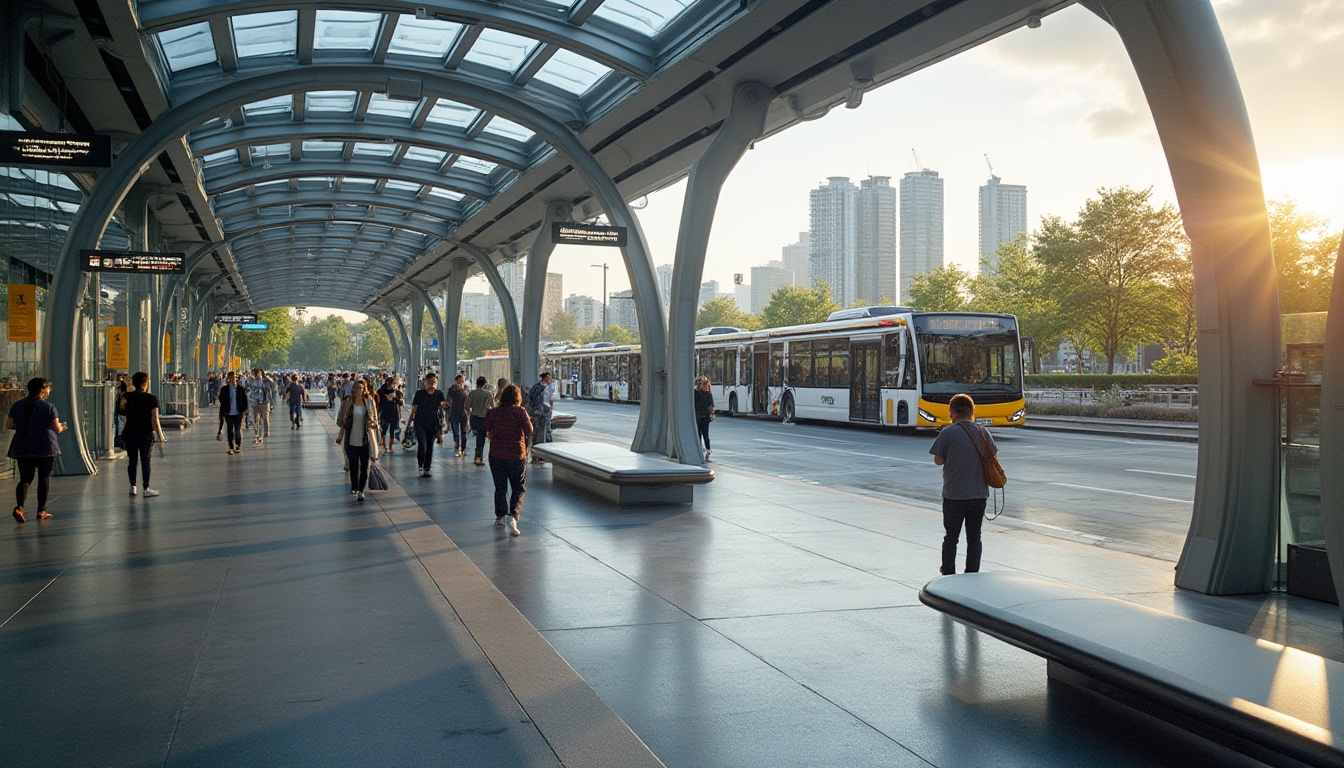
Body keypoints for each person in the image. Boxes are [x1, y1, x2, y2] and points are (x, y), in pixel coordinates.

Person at [929, 393, 998, 575]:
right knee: (974, 537)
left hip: (954, 495)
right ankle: (972, 572)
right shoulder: (984, 432)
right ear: (971, 411)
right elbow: (993, 457)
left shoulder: (948, 433)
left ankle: (948, 572)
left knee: (951, 537)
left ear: (952, 411)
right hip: (979, 494)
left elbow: (938, 460)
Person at [7, 378, 65, 522]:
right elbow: (56, 428)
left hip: (22, 445)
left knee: (25, 478)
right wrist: (63, 427)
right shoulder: (49, 407)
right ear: (42, 390)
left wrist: (24, 427)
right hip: (44, 446)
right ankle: (41, 510)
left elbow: (9, 424)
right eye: (48, 388)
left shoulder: (17, 405)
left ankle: (19, 507)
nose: (49, 391)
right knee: (43, 477)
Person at [484, 384, 533, 536]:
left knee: (500, 487)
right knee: (518, 487)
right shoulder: (520, 412)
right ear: (517, 398)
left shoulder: (493, 412)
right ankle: (513, 516)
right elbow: (529, 430)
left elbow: (487, 430)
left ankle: (499, 517)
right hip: (516, 455)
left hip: (496, 454)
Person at [120, 371, 167, 497]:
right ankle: (146, 488)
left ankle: (133, 487)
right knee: (145, 461)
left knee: (132, 460)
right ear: (145, 383)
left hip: (130, 433)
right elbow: (155, 420)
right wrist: (161, 437)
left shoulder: (126, 396)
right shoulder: (151, 399)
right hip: (145, 434)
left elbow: (122, 413)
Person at [336, 379, 380, 502]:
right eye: (355, 388)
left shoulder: (369, 402)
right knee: (353, 466)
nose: (357, 391)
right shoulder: (347, 402)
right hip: (351, 440)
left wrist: (372, 423)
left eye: (360, 388)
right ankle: (354, 486)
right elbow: (339, 420)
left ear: (364, 389)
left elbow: (376, 420)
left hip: (365, 440)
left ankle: (361, 490)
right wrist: (343, 421)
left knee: (364, 467)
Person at [407, 372, 447, 477]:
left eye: (434, 381)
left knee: (430, 447)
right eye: (430, 381)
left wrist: (446, 404)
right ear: (425, 382)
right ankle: (421, 463)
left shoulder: (439, 394)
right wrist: (408, 424)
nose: (432, 383)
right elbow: (414, 409)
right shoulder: (420, 394)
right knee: (422, 445)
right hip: (420, 423)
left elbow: (442, 407)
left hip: (433, 424)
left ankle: (427, 468)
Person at [526, 371, 558, 463]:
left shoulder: (549, 387)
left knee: (546, 430)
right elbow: (532, 399)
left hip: (545, 411)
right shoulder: (538, 387)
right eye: (547, 377)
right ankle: (541, 453)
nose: (549, 379)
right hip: (539, 412)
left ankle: (546, 452)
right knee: (540, 431)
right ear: (543, 378)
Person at [466, 376, 495, 467]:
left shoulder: (471, 393)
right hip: (483, 418)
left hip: (474, 417)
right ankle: (478, 458)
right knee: (481, 439)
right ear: (485, 384)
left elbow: (467, 406)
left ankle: (477, 456)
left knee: (478, 436)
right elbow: (493, 407)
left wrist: (470, 411)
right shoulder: (488, 394)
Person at [218, 370, 248, 455]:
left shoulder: (240, 389)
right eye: (230, 378)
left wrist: (245, 409)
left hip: (238, 413)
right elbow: (221, 399)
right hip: (228, 413)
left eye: (234, 377)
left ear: (236, 378)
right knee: (230, 430)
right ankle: (231, 447)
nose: (232, 379)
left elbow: (245, 400)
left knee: (237, 430)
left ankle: (238, 445)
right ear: (228, 378)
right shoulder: (225, 389)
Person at [377, 376, 402, 454]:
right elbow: (378, 402)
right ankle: (384, 445)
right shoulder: (381, 391)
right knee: (384, 430)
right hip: (385, 412)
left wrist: (394, 399)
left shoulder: (394, 391)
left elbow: (400, 402)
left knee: (391, 430)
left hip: (392, 413)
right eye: (391, 384)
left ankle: (390, 446)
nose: (391, 386)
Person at [447, 373, 470, 458]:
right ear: (460, 379)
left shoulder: (451, 389)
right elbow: (467, 402)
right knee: (463, 432)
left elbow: (448, 400)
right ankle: (463, 449)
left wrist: (452, 405)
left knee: (456, 431)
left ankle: (457, 444)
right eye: (463, 378)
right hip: (463, 413)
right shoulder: (464, 390)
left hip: (454, 412)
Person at [249, 368, 272, 445]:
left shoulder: (265, 381)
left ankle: (266, 432)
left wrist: (266, 377)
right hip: (255, 403)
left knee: (265, 418)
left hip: (264, 402)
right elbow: (249, 387)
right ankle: (257, 435)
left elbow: (271, 384)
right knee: (256, 419)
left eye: (253, 373)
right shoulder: (252, 381)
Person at [694, 376, 715, 458]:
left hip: (697, 415)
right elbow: (711, 406)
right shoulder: (708, 394)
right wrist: (712, 414)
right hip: (706, 416)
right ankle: (708, 449)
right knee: (706, 433)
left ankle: (699, 448)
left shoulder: (695, 393)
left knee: (698, 433)